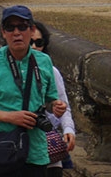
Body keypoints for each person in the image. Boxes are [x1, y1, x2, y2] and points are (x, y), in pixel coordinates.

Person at [0, 6, 67, 176]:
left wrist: (56, 106)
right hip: (2, 149)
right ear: (3, 32)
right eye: (10, 28)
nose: (16, 33)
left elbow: (50, 101)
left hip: (35, 151)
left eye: (22, 27)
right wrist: (10, 117)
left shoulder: (43, 62)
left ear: (32, 30)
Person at [29, 21, 76, 176]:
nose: (34, 47)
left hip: (47, 143)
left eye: (39, 42)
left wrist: (68, 129)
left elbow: (64, 105)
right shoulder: (4, 69)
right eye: (30, 42)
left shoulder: (51, 71)